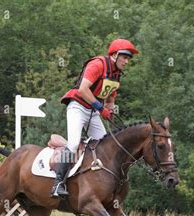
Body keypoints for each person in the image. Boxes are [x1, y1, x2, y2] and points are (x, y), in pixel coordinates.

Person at [51, 38, 139, 198]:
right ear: (115, 55)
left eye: (128, 59)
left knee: (105, 146)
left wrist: (109, 111)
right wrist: (101, 108)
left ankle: (95, 184)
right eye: (125, 57)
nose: (127, 62)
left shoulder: (116, 75)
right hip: (77, 107)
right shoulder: (97, 64)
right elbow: (83, 89)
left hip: (92, 112)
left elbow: (110, 99)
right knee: (72, 144)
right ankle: (58, 184)